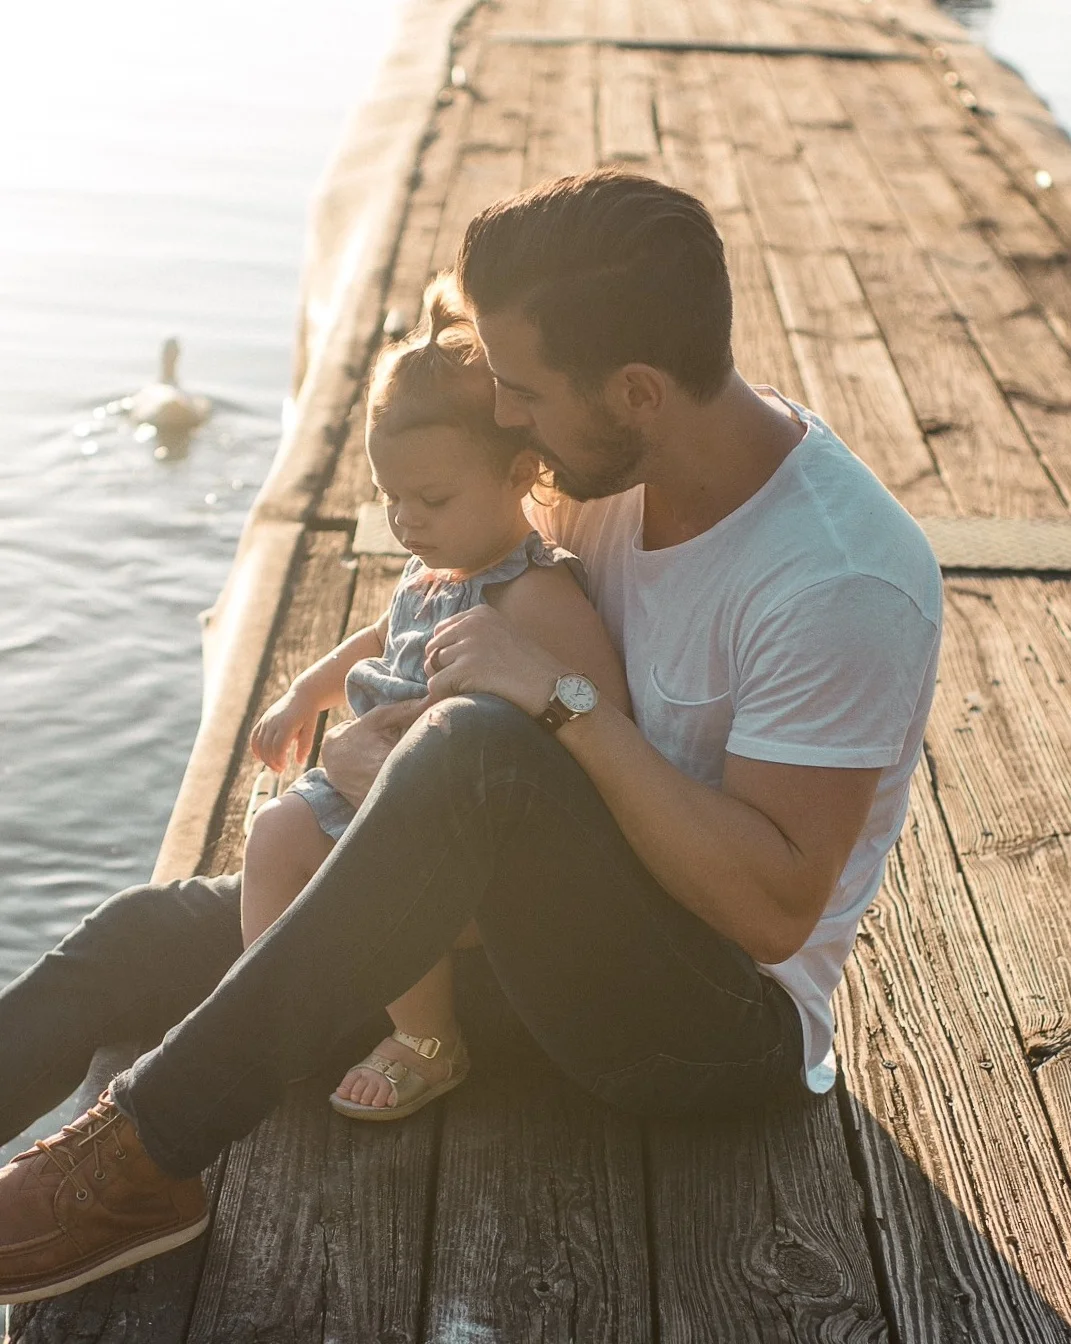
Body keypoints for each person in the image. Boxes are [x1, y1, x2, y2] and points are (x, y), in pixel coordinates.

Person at [0, 167, 942, 1306]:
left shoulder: (839, 580)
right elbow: (461, 597)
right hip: (518, 928)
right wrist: (366, 724)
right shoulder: (609, 466)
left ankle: (142, 1158)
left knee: (476, 757)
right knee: (147, 933)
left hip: (707, 1020)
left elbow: (772, 906)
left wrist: (556, 704)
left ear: (637, 391)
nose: (504, 419)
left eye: (526, 393)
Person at [242, 274, 629, 1119]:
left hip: (448, 816)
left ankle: (428, 1038)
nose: (407, 523)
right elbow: (381, 637)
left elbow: (600, 714)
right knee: (272, 833)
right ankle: (276, 1013)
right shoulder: (433, 568)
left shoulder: (533, 593)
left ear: (522, 471)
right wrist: (308, 693)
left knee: (386, 881)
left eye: (432, 499)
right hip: (368, 773)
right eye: (391, 502)